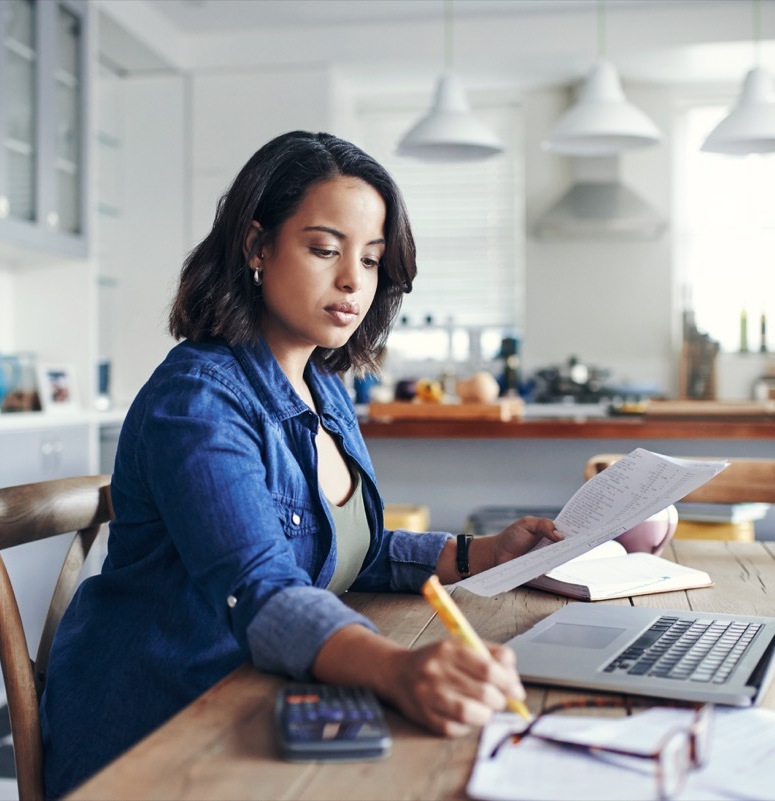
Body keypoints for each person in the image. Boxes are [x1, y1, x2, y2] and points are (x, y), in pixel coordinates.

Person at [39, 130, 561, 797]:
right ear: (257, 246)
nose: (353, 280)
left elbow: (347, 551)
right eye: (324, 249)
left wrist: (481, 553)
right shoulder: (197, 401)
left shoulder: (326, 388)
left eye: (371, 260)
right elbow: (263, 586)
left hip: (259, 697)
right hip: (161, 728)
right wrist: (399, 669)